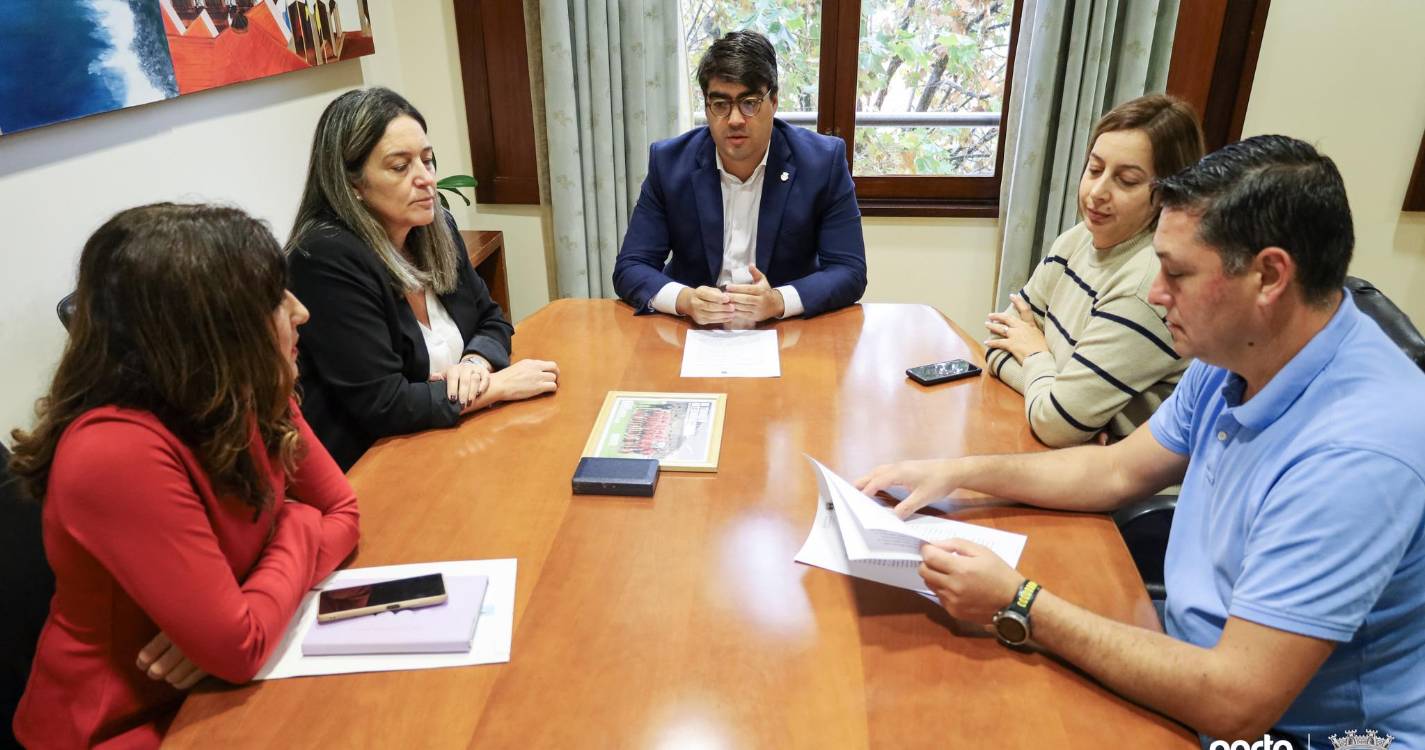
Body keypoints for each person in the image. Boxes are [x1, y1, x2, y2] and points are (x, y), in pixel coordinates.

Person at [857, 136, 1425, 745]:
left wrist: (1019, 602)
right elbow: (1119, 472)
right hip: (1189, 657)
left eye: (1177, 273)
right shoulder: (1240, 350)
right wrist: (960, 471)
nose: (1156, 293)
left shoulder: (1357, 454)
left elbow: (1236, 703)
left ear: (1269, 276)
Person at [8, 204, 361, 748]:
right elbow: (240, 646)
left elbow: (344, 513)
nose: (301, 312)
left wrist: (241, 608)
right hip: (125, 727)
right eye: (273, 299)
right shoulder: (116, 451)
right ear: (209, 329)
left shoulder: (248, 391)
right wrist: (296, 521)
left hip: (225, 689)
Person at [287, 87, 559, 470]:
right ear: (353, 185)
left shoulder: (435, 228)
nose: (427, 180)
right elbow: (384, 404)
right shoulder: (325, 257)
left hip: (447, 441)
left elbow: (492, 319)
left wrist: (475, 367)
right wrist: (497, 387)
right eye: (401, 167)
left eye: (427, 161)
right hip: (372, 464)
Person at [985, 95, 1203, 447]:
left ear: (1167, 193)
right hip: (1062, 454)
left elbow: (1055, 425)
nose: (1098, 193)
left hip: (1113, 488)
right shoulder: (1078, 239)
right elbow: (996, 345)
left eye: (1127, 180)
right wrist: (1056, 398)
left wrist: (1036, 355)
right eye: (1095, 169)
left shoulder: (1146, 286)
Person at [612, 30, 867, 325]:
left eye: (749, 103)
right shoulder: (669, 163)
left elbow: (849, 270)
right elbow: (631, 266)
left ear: (774, 101)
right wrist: (686, 300)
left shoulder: (822, 162)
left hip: (784, 329)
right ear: (707, 106)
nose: (734, 119)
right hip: (693, 330)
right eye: (720, 104)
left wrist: (778, 301)